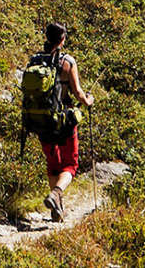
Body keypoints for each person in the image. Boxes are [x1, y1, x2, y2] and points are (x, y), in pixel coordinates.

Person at [23, 20, 93, 222]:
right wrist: (88, 101)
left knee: (53, 164)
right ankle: (56, 194)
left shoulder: (34, 60)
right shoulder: (67, 62)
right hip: (63, 120)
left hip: (39, 120)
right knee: (70, 165)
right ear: (62, 40)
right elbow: (78, 93)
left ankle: (58, 209)